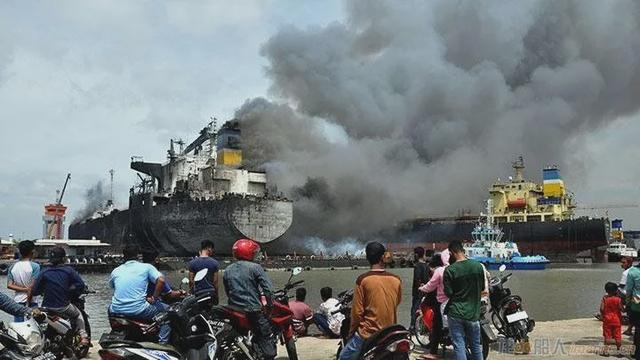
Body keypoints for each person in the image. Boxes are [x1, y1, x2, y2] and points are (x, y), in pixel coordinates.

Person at [339, 242, 402, 360]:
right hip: (390, 332)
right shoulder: (396, 279)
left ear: (367, 258)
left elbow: (357, 313)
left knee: (343, 357)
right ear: (383, 257)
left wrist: (351, 333)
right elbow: (397, 302)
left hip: (368, 333)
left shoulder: (363, 280)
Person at [223, 239, 276, 360]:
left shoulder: (228, 270)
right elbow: (268, 289)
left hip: (233, 311)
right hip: (252, 310)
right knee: (265, 334)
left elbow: (228, 291)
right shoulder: (255, 267)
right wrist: (270, 306)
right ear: (248, 253)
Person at [109, 244, 171, 344]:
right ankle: (163, 344)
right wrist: (154, 298)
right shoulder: (146, 267)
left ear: (124, 256)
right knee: (168, 314)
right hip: (140, 310)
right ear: (138, 256)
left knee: (110, 307)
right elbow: (161, 280)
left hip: (116, 310)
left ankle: (116, 330)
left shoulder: (116, 271)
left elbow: (113, 287)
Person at [30, 247, 89, 345]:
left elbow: (35, 291)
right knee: (78, 314)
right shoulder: (68, 271)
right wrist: (70, 291)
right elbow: (80, 285)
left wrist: (44, 290)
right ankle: (83, 337)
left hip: (47, 307)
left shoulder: (44, 271)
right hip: (63, 307)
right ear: (64, 258)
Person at [443, 240, 485, 360]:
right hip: (473, 314)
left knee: (459, 346)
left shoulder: (450, 270)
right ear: (463, 250)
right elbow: (482, 288)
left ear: (452, 253)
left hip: (455, 312)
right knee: (476, 346)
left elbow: (448, 293)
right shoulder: (478, 266)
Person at [419, 253, 449, 358]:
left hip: (441, 302)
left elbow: (430, 286)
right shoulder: (451, 269)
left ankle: (433, 352)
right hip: (454, 300)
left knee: (437, 325)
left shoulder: (439, 271)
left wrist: (422, 288)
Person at [7, 240, 40, 321]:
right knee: (34, 326)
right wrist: (28, 300)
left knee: (19, 326)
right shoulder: (35, 266)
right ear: (32, 251)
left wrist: (24, 289)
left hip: (18, 300)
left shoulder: (13, 267)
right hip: (32, 301)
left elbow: (9, 285)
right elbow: (32, 287)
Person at [410, 247, 429, 333]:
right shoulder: (426, 265)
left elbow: (417, 279)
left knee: (414, 309)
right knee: (424, 309)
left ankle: (412, 327)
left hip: (418, 292)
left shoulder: (417, 266)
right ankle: (423, 327)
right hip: (426, 291)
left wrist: (420, 286)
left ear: (416, 255)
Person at [601, 282, 624, 355]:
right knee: (617, 336)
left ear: (606, 290)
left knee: (607, 336)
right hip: (617, 320)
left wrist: (603, 315)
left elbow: (601, 309)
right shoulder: (618, 299)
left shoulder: (604, 298)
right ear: (616, 290)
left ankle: (606, 351)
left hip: (607, 320)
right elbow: (621, 309)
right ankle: (619, 351)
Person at [619, 256, 634, 335]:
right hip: (634, 294)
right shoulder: (635, 270)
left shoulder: (625, 273)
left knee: (609, 296)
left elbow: (621, 286)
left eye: (624, 263)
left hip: (627, 295)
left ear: (629, 263)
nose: (621, 264)